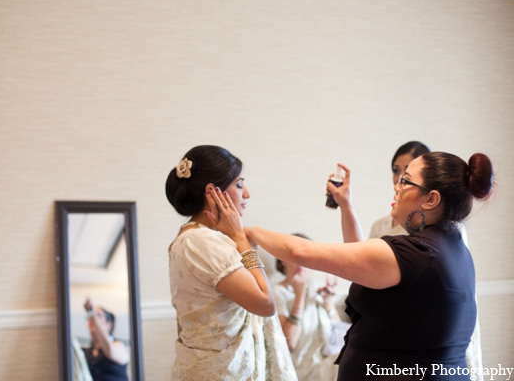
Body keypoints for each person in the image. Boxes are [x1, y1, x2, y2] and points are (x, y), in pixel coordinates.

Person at [211, 151, 494, 380]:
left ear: (431, 199)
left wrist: (245, 232)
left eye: (406, 180)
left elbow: (302, 250)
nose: (397, 186)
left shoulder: (418, 253)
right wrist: (345, 205)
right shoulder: (448, 244)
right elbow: (362, 260)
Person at [166, 145, 297, 381]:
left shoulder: (192, 236)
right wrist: (240, 241)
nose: (246, 193)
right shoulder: (202, 241)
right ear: (213, 192)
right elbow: (266, 304)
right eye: (239, 184)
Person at [364, 141, 484, 378]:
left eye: (406, 174)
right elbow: (359, 259)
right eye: (395, 171)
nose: (397, 181)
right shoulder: (382, 224)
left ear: (432, 194)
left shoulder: (445, 236)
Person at [273, 233, 350, 380]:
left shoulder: (315, 289)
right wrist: (300, 297)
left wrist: (328, 301)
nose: (301, 262)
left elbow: (339, 336)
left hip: (327, 363)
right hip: (300, 369)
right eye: (296, 255)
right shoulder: (278, 293)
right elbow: (290, 342)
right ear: (282, 259)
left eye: (306, 256)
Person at [369, 141, 431, 238]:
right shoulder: (379, 226)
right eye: (396, 171)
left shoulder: (436, 231)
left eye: (407, 174)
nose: (399, 183)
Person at [82, 299, 130, 381]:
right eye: (90, 316)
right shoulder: (85, 352)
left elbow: (109, 350)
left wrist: (93, 313)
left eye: (98, 315)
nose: (92, 318)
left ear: (109, 325)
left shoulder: (119, 346)